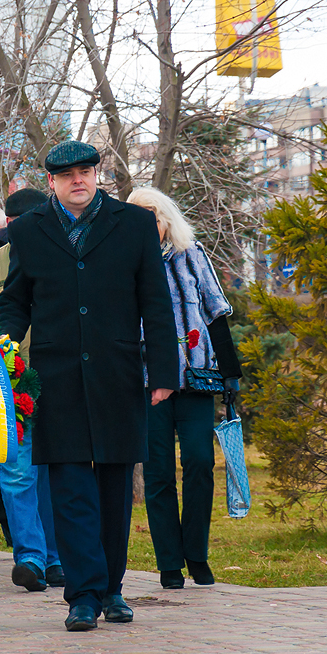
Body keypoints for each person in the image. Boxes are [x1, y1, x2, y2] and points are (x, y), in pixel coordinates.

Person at [0, 141, 177, 632]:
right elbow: (15, 300)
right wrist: (4, 348)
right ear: (51, 181)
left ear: (98, 174)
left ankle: (112, 589)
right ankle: (82, 596)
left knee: (115, 488)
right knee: (70, 488)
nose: (78, 180)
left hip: (117, 373)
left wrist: (163, 373)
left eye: (86, 171)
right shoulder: (29, 229)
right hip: (55, 378)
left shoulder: (133, 224)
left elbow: (156, 302)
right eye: (67, 174)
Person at [126, 187, 242, 590]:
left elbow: (216, 314)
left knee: (199, 462)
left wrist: (230, 375)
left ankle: (196, 553)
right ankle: (169, 562)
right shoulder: (122, 264)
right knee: (158, 472)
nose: (149, 225)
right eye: (139, 218)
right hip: (147, 384)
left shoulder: (192, 255)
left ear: (166, 219)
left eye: (154, 217)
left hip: (196, 379)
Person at [0, 188, 64, 592]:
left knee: (56, 473)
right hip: (10, 389)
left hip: (61, 383)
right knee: (18, 474)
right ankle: (31, 558)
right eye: (17, 225)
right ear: (8, 226)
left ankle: (57, 557)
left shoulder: (67, 256)